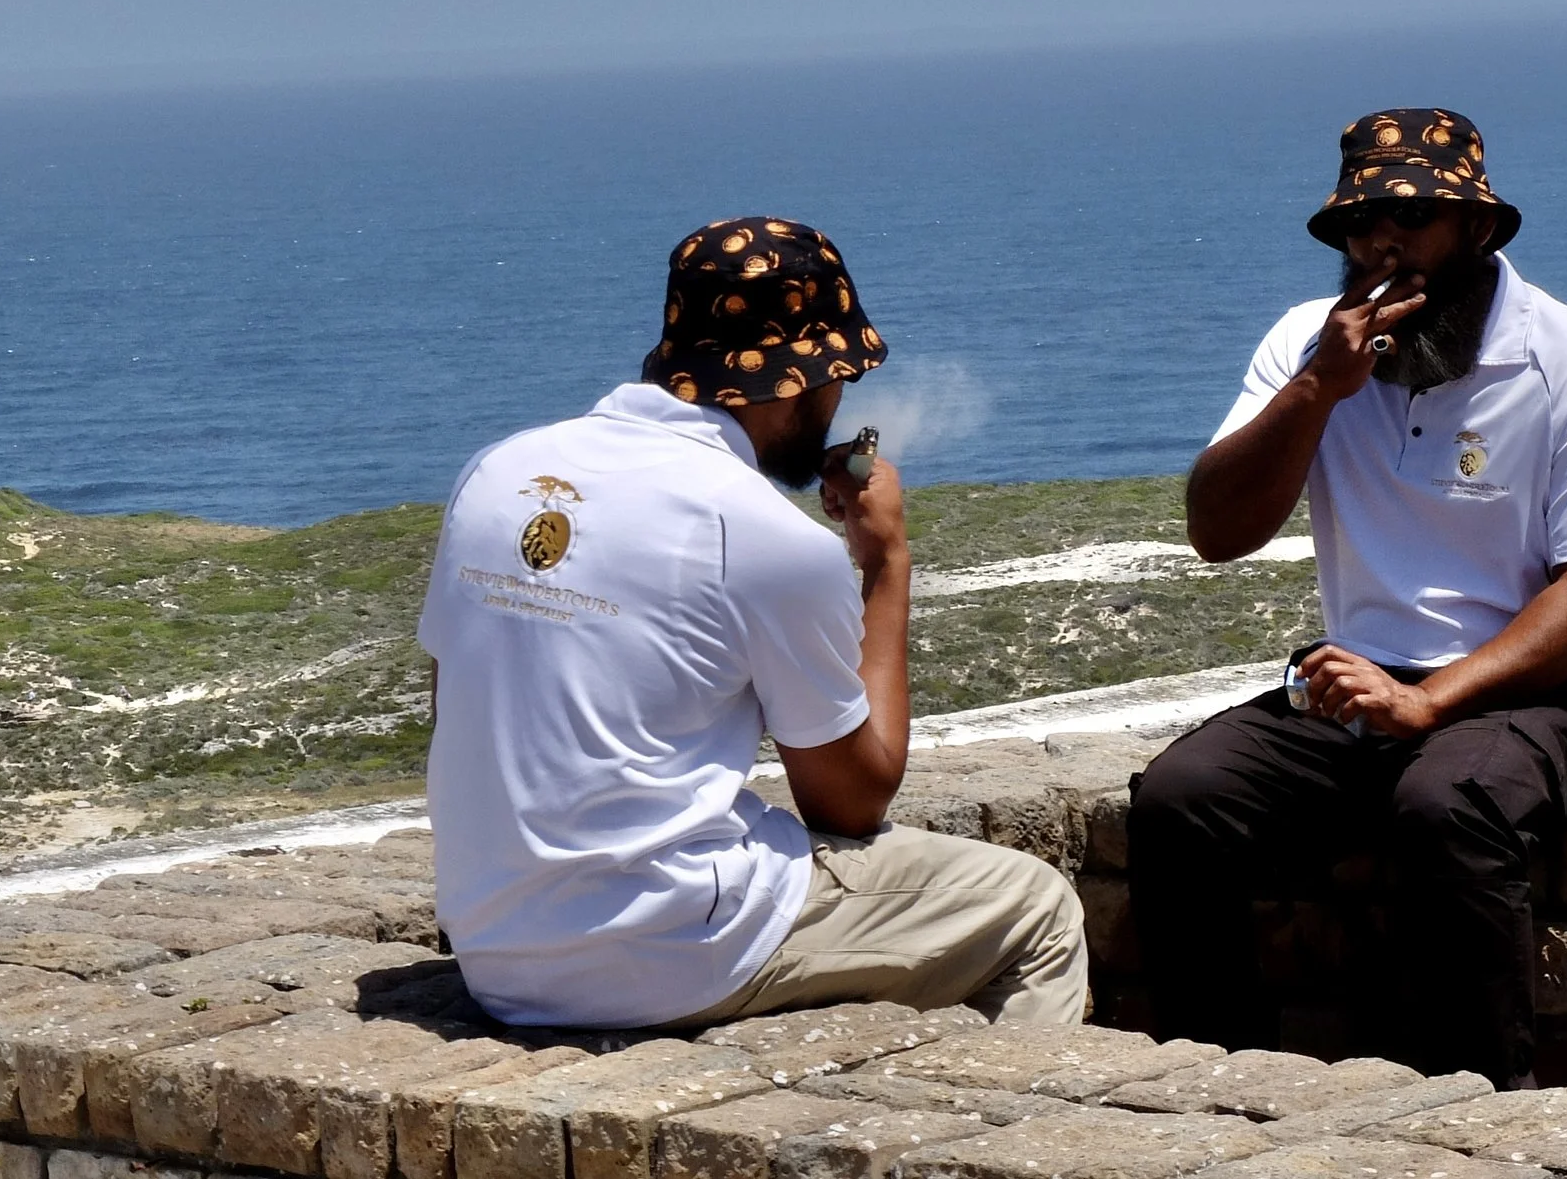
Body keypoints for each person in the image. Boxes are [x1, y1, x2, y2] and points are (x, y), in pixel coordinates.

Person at [419, 216, 1087, 1030]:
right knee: (1039, 909)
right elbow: (852, 803)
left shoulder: (497, 470)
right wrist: (884, 567)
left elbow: (456, 700)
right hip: (663, 955)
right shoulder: (765, 535)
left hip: (495, 947)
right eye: (842, 374)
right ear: (804, 378)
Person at [1129, 108, 1567, 1088]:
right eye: (1360, 220)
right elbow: (1218, 530)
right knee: (1181, 798)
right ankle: (1219, 1080)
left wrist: (1431, 698)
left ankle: (1479, 1106)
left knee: (1446, 799)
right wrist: (1314, 392)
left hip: (1555, 688)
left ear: (1475, 228)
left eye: (1410, 216)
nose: (1380, 240)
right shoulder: (1306, 346)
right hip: (1371, 686)